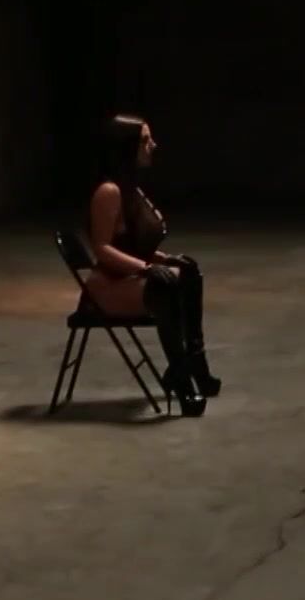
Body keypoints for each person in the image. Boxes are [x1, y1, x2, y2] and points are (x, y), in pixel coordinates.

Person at [81, 114, 220, 416]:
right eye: (145, 140)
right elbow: (103, 249)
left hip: (127, 277)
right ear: (126, 147)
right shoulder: (109, 192)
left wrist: (164, 259)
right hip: (108, 285)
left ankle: (195, 364)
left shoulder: (131, 189)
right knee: (164, 286)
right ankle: (182, 381)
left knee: (188, 271)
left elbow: (134, 245)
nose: (153, 145)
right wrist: (146, 269)